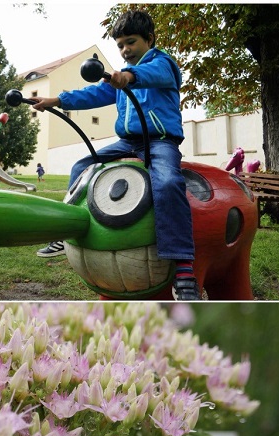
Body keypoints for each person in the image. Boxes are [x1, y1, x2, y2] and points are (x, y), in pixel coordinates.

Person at [32, 10, 201, 301]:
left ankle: (184, 267)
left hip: (159, 141)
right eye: (120, 45)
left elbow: (151, 75)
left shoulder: (163, 64)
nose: (125, 50)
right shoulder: (119, 76)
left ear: (149, 39)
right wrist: (56, 100)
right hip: (127, 142)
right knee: (83, 166)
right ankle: (64, 231)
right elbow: (93, 95)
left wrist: (128, 75)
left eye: (131, 42)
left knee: (168, 182)